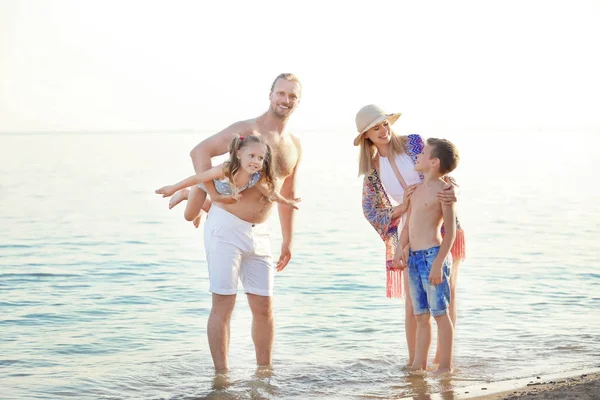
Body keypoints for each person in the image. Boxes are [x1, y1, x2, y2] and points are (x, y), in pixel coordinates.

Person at [170, 73, 302, 373]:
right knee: (224, 304)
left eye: (292, 96)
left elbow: (289, 193)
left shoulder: (294, 145)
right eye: (281, 93)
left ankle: (264, 377)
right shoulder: (247, 131)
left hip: (262, 233)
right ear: (270, 95)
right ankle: (222, 379)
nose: (285, 100)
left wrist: (289, 240)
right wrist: (215, 196)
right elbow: (199, 151)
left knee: (264, 308)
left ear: (298, 101)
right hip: (227, 227)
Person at [355, 104, 465, 366]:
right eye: (375, 128)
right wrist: (401, 208)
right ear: (366, 136)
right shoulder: (372, 167)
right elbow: (371, 209)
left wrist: (453, 193)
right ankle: (415, 363)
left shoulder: (414, 144)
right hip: (410, 233)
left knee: (447, 295)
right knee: (413, 304)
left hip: (442, 223)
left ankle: (442, 361)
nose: (383, 130)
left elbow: (443, 172)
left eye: (384, 124)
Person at [395, 137, 460, 374]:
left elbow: (450, 233)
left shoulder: (444, 192)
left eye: (423, 153)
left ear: (433, 162)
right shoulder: (413, 191)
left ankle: (445, 367)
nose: (418, 156)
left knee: (440, 314)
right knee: (420, 315)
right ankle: (418, 366)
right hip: (413, 258)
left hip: (434, 256)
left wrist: (438, 264)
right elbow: (407, 226)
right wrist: (399, 250)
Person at [155, 134, 300, 211]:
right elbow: (197, 178)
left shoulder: (255, 177)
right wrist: (173, 188)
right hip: (203, 185)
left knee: (216, 207)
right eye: (251, 156)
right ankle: (186, 194)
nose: (256, 161)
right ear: (239, 154)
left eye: (260, 158)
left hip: (220, 196)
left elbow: (271, 194)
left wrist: (287, 202)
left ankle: (201, 205)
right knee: (189, 215)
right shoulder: (225, 170)